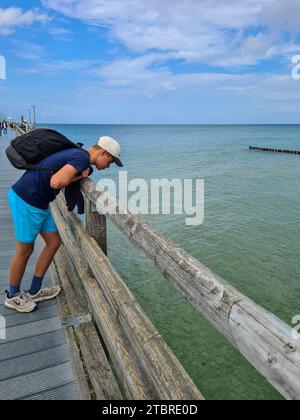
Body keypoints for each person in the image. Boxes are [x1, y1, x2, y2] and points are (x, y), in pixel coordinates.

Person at [5, 135, 123, 313]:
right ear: (103, 152)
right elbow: (56, 182)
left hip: (40, 202)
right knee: (25, 249)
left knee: (54, 242)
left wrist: (81, 174)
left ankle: (34, 291)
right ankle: (12, 296)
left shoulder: (79, 154)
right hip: (27, 200)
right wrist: (79, 176)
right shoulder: (82, 158)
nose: (109, 165)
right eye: (111, 160)